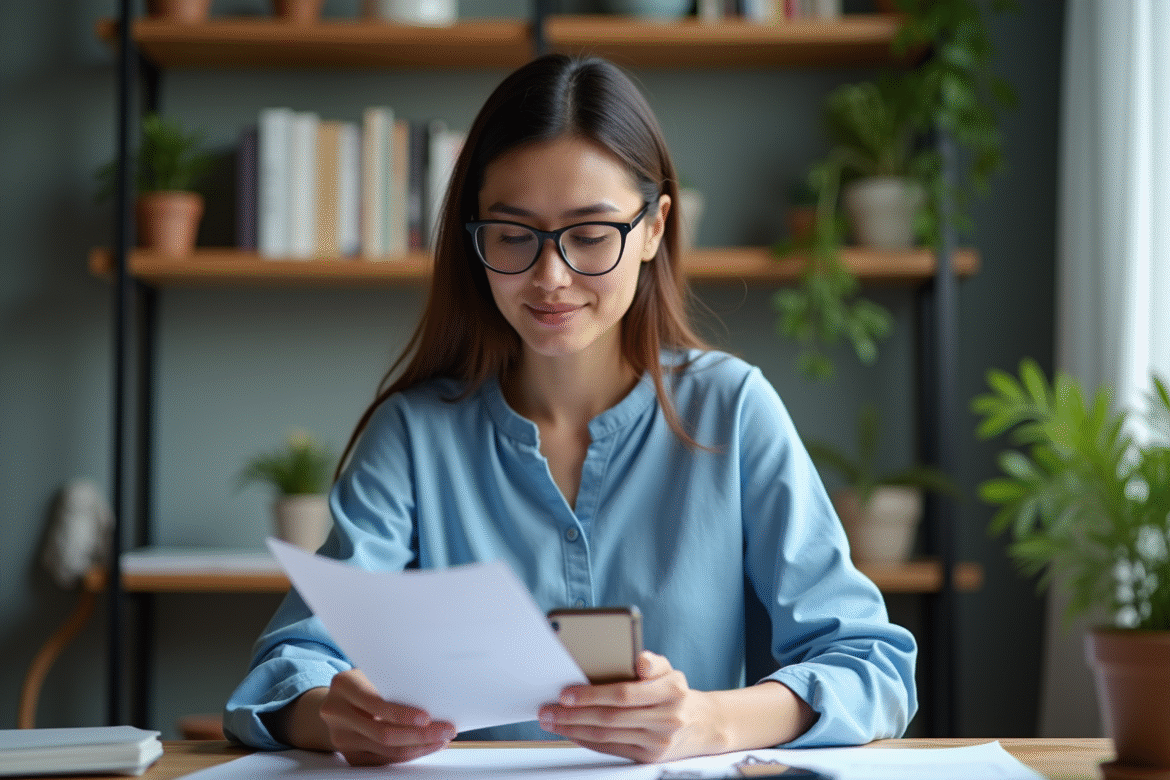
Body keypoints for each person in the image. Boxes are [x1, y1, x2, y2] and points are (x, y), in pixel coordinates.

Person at [223, 53, 917, 766]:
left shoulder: (733, 409)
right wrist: (336, 717)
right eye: (513, 235)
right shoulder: (413, 434)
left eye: (590, 234)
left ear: (653, 229)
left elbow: (873, 667)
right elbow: (284, 673)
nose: (550, 277)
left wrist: (708, 720)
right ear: (475, 238)